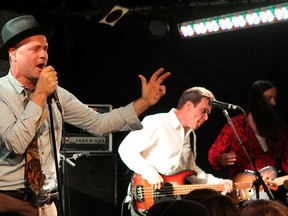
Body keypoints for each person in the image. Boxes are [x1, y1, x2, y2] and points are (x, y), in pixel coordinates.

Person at [0, 14, 171, 216]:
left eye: (45, 48)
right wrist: (39, 96)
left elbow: (99, 124)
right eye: (35, 49)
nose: (43, 55)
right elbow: (16, 142)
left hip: (46, 204)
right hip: (10, 203)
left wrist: (143, 103)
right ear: (13, 54)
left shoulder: (56, 94)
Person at [118, 86, 233, 216]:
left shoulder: (191, 135)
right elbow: (125, 149)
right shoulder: (157, 122)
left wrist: (219, 183)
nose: (206, 117)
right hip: (147, 197)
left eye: (208, 113)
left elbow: (191, 170)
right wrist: (150, 173)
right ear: (188, 105)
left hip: (172, 200)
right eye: (204, 111)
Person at [208, 80, 288, 204]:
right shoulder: (236, 124)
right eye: (268, 98)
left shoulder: (277, 128)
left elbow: (286, 159)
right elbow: (213, 154)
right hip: (241, 191)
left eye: (274, 98)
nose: (273, 103)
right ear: (257, 100)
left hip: (268, 191)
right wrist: (221, 159)